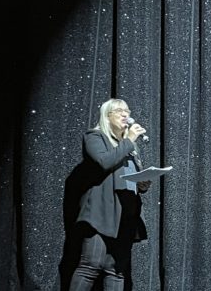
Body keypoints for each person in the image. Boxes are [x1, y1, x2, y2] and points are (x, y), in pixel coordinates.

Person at [69, 98, 152, 291]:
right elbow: (104, 162)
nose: (126, 115)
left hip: (125, 214)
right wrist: (129, 140)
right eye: (119, 111)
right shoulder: (95, 137)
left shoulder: (128, 146)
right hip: (102, 212)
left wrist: (141, 184)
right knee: (90, 265)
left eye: (127, 111)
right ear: (107, 116)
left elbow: (126, 176)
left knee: (116, 270)